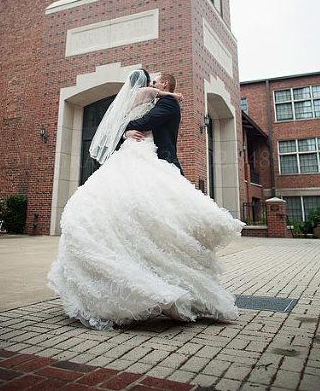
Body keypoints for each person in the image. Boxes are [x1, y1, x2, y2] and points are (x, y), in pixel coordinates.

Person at [47, 69, 244, 331]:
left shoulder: (166, 102)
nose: (153, 83)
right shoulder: (153, 96)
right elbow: (136, 118)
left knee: (157, 218)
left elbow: (144, 121)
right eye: (151, 81)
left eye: (158, 81)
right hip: (139, 154)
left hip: (151, 157)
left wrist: (128, 127)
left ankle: (172, 278)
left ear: (164, 83)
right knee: (138, 214)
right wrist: (127, 130)